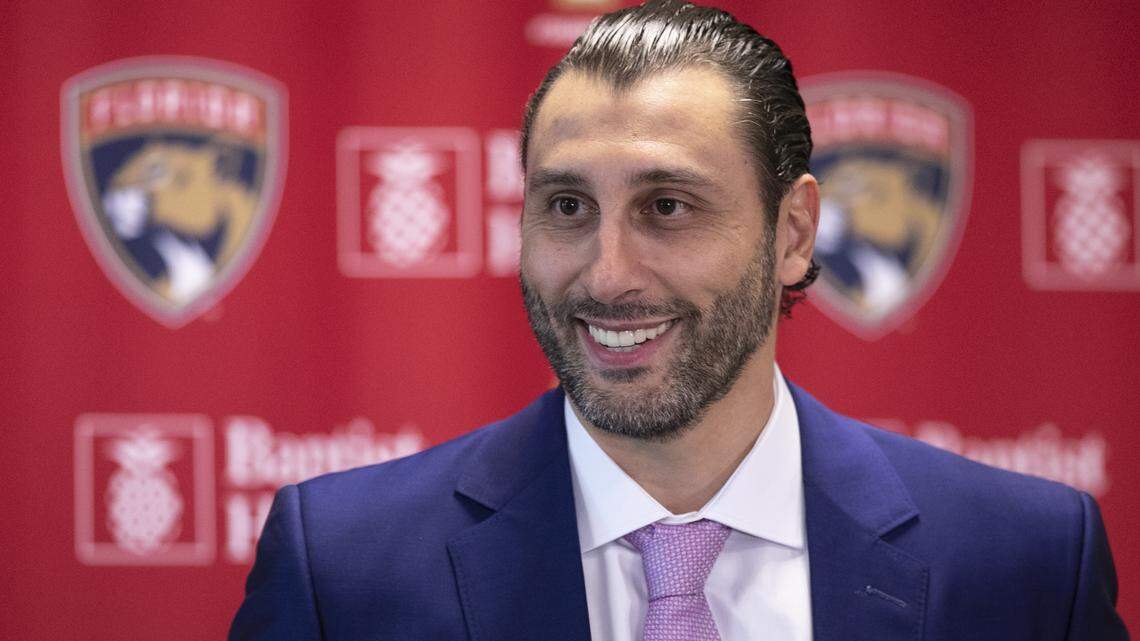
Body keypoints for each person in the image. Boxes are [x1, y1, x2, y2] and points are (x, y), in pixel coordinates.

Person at [229, 2, 1128, 639]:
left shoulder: (1028, 563)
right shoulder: (342, 569)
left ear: (793, 232)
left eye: (667, 207)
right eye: (568, 207)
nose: (607, 274)